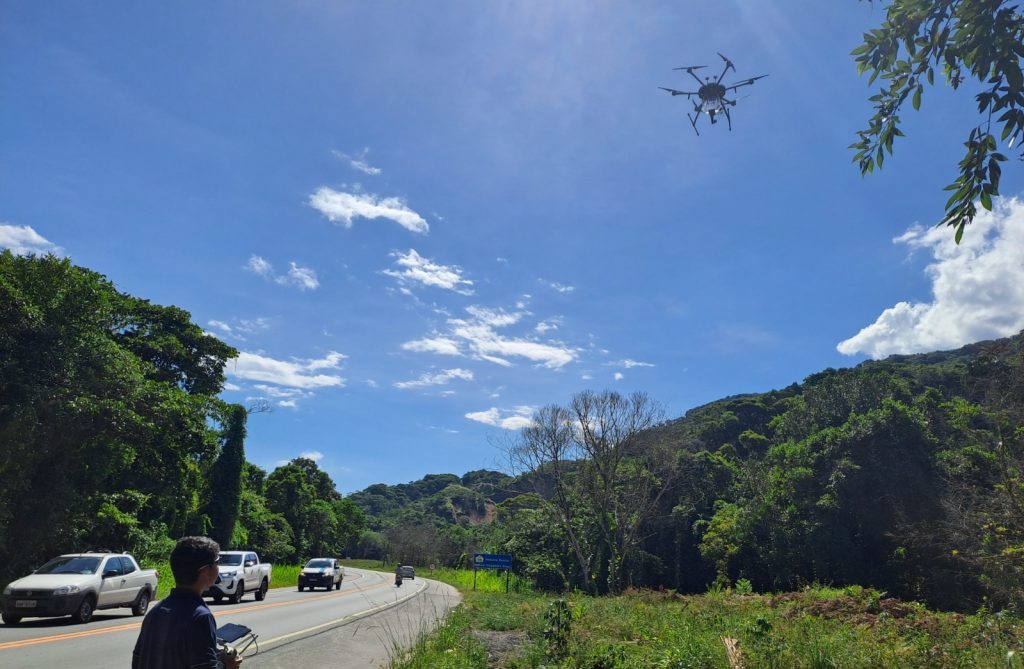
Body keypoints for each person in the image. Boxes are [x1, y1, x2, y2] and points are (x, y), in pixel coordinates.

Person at [132, 536, 242, 669]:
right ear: (205, 572)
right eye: (217, 562)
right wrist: (226, 664)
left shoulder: (156, 611)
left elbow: (137, 660)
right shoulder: (200, 617)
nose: (219, 567)